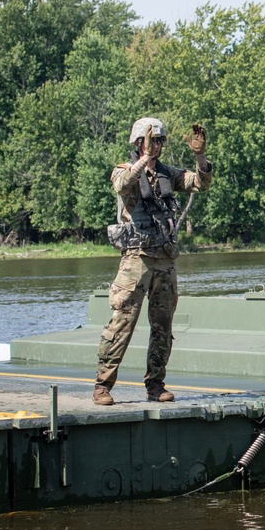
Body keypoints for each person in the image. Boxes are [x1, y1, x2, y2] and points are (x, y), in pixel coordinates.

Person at [94, 118, 213, 406]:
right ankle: (102, 384)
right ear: (138, 143)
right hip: (136, 260)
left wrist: (200, 156)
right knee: (122, 322)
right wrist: (144, 159)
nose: (158, 145)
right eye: (153, 141)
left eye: (160, 141)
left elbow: (200, 183)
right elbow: (122, 186)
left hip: (164, 259)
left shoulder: (166, 173)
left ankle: (155, 384)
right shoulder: (125, 170)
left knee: (163, 326)